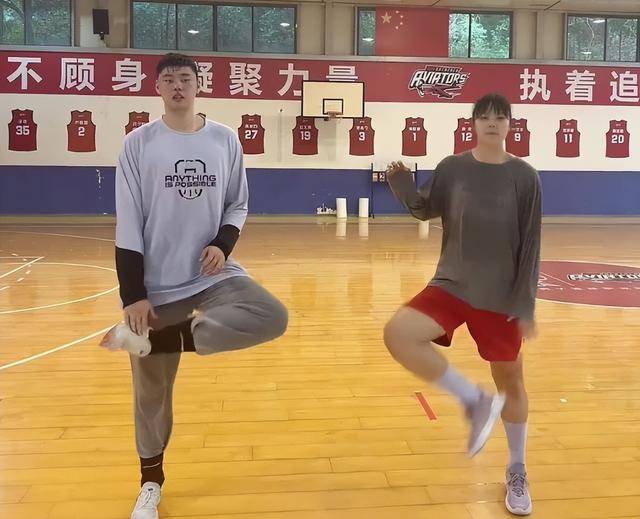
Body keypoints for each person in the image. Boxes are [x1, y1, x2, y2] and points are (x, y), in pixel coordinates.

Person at [100, 53, 288, 519]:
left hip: (210, 275)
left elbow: (237, 204)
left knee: (271, 315)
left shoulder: (224, 139)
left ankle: (161, 340)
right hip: (157, 287)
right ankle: (150, 484)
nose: (178, 86)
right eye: (169, 79)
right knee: (152, 398)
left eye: (185, 78)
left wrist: (223, 244)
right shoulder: (138, 144)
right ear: (157, 88)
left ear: (198, 85)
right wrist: (133, 296)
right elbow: (128, 224)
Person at [383, 93, 541, 516]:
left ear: (510, 124)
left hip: (500, 295)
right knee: (399, 333)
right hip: (452, 283)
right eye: (484, 116)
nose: (492, 123)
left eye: (500, 117)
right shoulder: (453, 168)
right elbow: (424, 209)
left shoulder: (525, 177)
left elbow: (531, 243)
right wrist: (402, 184)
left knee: (511, 382)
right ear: (472, 123)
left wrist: (525, 304)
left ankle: (518, 468)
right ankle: (473, 400)